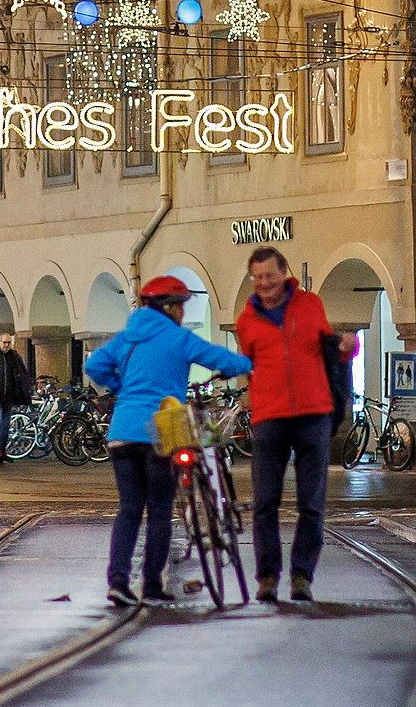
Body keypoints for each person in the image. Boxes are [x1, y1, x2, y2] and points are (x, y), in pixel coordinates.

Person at [84, 277, 253, 611]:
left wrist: (122, 386)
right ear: (170, 308)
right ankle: (150, 585)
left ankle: (117, 583)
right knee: (159, 510)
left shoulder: (128, 337)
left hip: (122, 432)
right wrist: (249, 364)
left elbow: (94, 366)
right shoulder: (177, 338)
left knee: (130, 509)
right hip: (161, 430)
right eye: (180, 305)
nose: (182, 311)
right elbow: (221, 359)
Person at [229, 248, 337, 603]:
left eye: (269, 276)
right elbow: (247, 363)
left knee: (311, 503)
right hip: (270, 416)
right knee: (264, 501)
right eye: (257, 277)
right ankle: (267, 577)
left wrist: (349, 348)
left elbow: (330, 347)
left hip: (313, 411)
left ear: (284, 273)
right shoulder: (246, 321)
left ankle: (302, 575)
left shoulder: (310, 305)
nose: (263, 284)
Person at [0, 330, 37, 465]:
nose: (6, 345)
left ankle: (2, 451)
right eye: (4, 342)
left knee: (5, 425)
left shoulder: (14, 356)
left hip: (9, 396)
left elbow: (22, 374)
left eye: (8, 342)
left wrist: (25, 390)